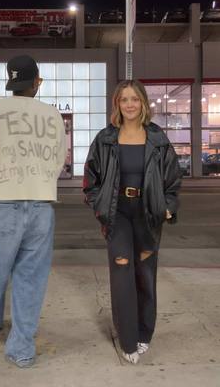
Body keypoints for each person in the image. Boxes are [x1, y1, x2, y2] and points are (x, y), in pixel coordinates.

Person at [0, 55, 67, 368]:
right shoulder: (52, 115)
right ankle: (22, 348)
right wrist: (41, 183)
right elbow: (58, 159)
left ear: (11, 83)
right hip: (41, 205)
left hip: (3, 203)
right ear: (37, 81)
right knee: (31, 279)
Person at [83, 80, 182, 364]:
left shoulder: (157, 138)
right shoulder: (105, 138)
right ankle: (127, 338)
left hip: (149, 214)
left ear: (142, 103)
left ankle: (144, 333)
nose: (129, 104)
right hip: (117, 214)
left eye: (134, 99)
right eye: (124, 99)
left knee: (145, 272)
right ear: (117, 104)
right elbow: (90, 179)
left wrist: (168, 207)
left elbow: (173, 179)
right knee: (121, 270)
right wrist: (99, 206)